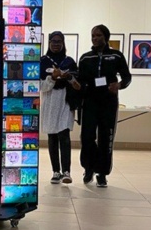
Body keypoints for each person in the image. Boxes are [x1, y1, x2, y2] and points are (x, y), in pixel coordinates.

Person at [78, 24, 132, 187]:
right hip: (89, 102)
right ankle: (89, 168)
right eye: (93, 36)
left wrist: (119, 86)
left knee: (105, 138)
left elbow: (127, 77)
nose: (95, 38)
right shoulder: (85, 58)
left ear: (106, 37)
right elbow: (81, 80)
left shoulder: (116, 56)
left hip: (108, 103)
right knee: (87, 137)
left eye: (98, 35)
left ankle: (102, 173)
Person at [40, 31, 81, 185]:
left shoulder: (69, 61)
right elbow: (40, 86)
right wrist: (52, 77)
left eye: (59, 41)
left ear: (63, 43)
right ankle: (55, 172)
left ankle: (66, 172)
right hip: (50, 100)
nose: (56, 44)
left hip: (65, 100)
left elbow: (77, 82)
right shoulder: (43, 61)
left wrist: (67, 77)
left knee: (64, 134)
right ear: (49, 43)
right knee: (52, 136)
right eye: (53, 41)